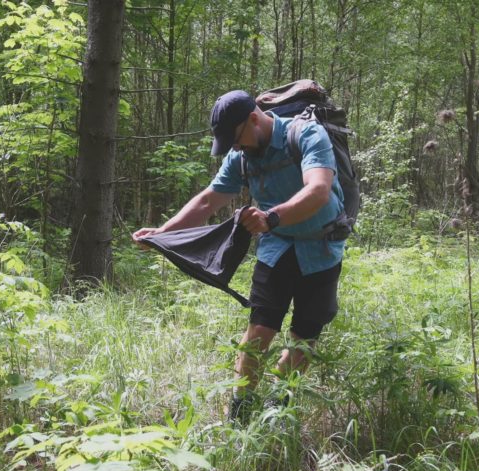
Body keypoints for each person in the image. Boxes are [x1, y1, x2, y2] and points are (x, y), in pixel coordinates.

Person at [132, 89, 346, 422]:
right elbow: (207, 201)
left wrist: (271, 217)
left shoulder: (305, 134)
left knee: (304, 336)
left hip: (322, 248)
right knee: (260, 330)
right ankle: (241, 411)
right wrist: (164, 233)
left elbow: (318, 190)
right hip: (277, 249)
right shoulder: (241, 157)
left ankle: (277, 408)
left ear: (254, 119)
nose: (235, 148)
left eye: (236, 139)